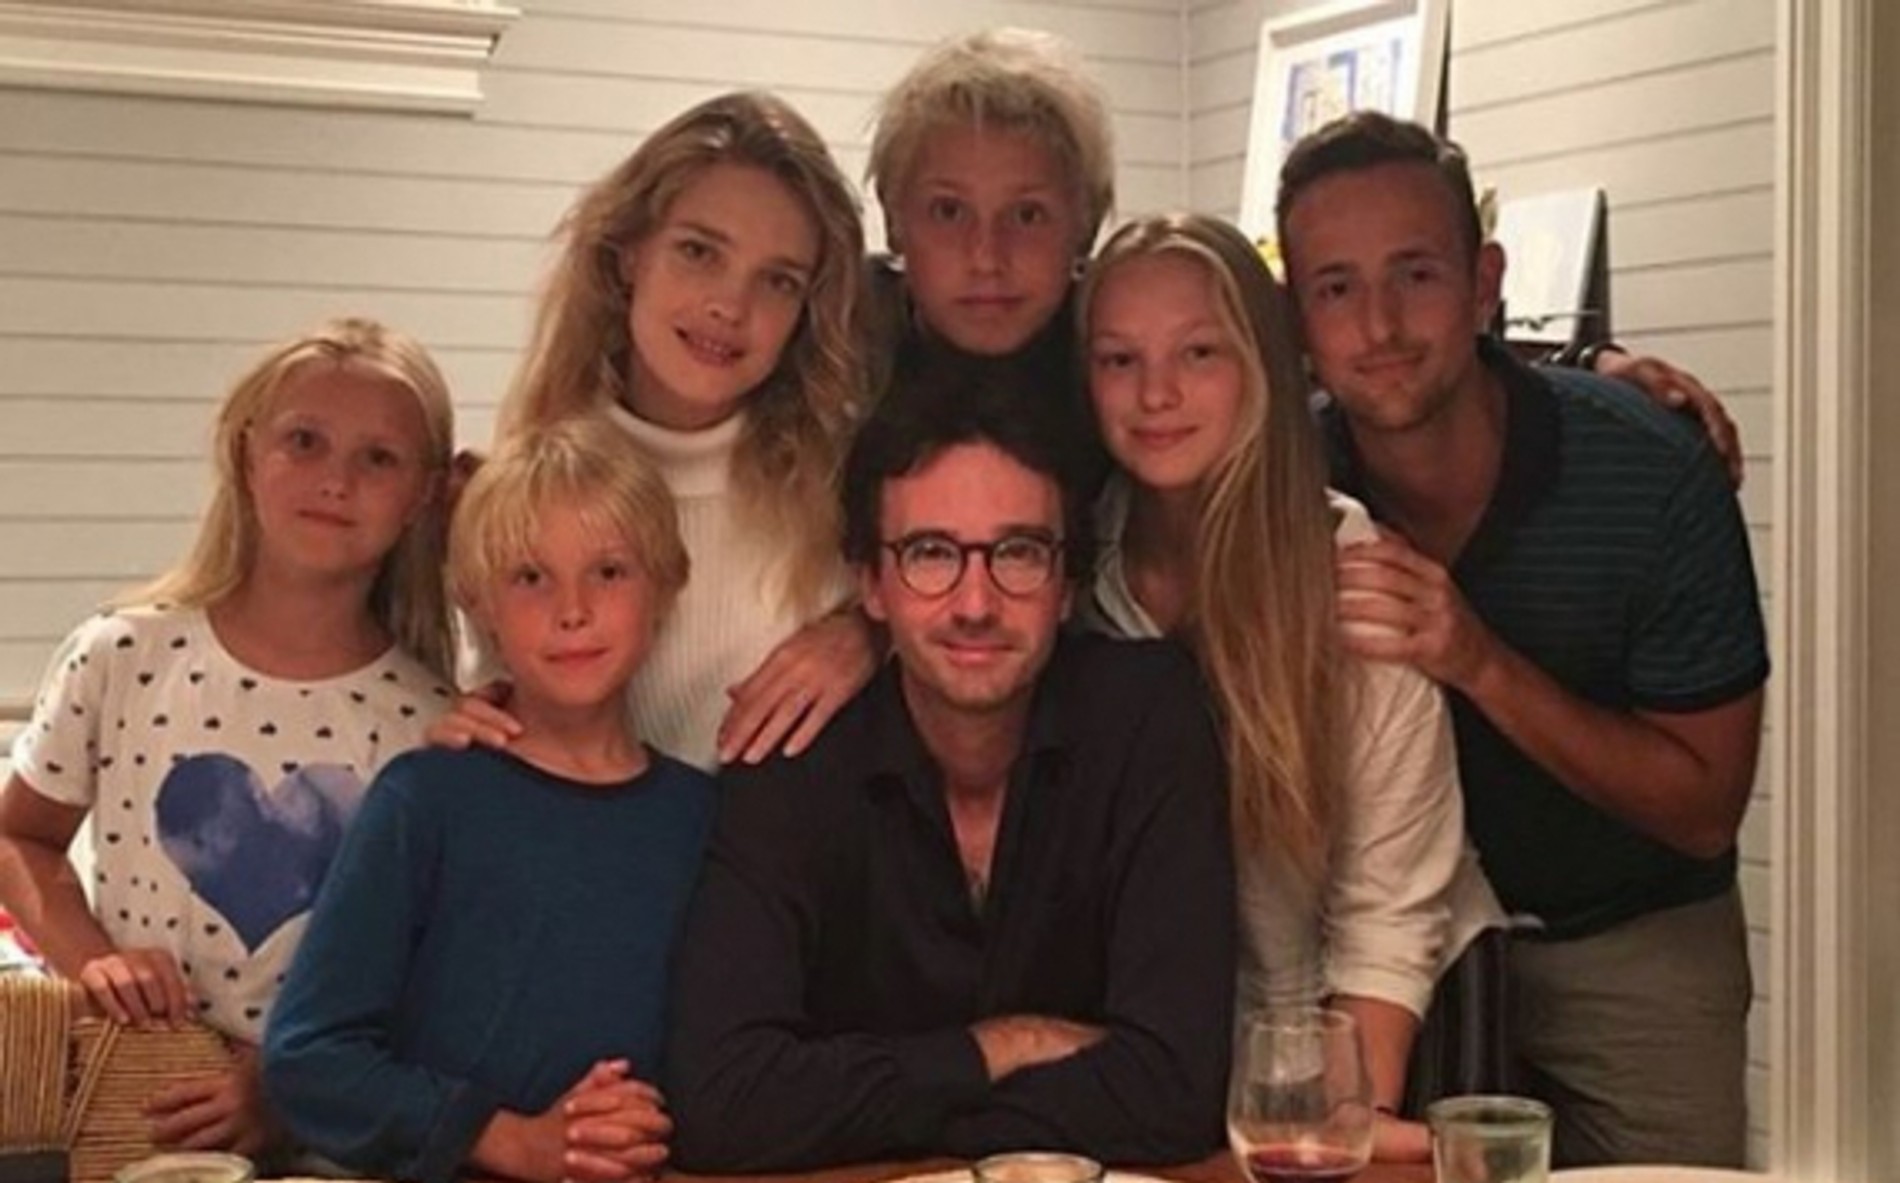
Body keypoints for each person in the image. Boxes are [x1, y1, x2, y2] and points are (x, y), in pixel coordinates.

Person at [1275, 110, 1768, 1168]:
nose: (1379, 324)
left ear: (1484, 282)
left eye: (1416, 274)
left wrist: (1479, 661)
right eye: (1336, 288)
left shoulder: (1649, 472)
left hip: (1627, 940)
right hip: (1406, 958)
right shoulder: (1286, 482)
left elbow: (1703, 809)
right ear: (1297, 320)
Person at [664, 360, 1236, 1171]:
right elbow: (724, 1101)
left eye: (1019, 552)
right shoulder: (791, 756)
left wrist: (881, 1107)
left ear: (1067, 583)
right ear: (870, 584)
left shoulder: (1147, 718)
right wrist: (1003, 1046)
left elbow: (1177, 1092)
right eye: (931, 553)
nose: (975, 603)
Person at [1077, 212, 1506, 1163]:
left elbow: (1389, 914)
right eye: (1119, 359)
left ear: (1264, 365)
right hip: (1191, 1036)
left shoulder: (1349, 578)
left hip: (1388, 1012)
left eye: (1199, 352)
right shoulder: (1074, 572)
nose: (1156, 393)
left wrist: (1339, 1120)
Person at [0, 317, 456, 1156]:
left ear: (423, 495)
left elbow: (432, 969)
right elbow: (19, 835)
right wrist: (91, 959)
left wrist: (296, 1085)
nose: (336, 480)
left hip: (332, 1141)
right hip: (131, 1120)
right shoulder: (120, 655)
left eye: (379, 458)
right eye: (304, 441)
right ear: (246, 453)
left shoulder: (433, 727)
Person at [264, 417, 713, 1183]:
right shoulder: (426, 799)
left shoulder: (703, 817)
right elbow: (308, 1057)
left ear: (666, 585)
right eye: (530, 577)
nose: (572, 610)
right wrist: (505, 1137)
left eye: (609, 571)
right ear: (478, 602)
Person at [442, 90, 876, 770]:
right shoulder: (521, 491)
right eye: (699, 252)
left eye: (778, 281)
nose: (729, 306)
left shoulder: (848, 487)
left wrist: (872, 636)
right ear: (628, 254)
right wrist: (466, 725)